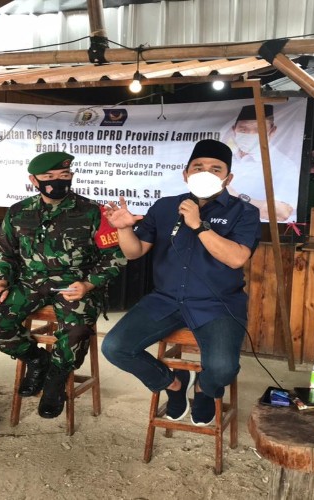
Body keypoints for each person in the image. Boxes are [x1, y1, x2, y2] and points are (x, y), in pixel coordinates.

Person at [101, 139, 260, 426]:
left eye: (215, 168)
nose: (205, 172)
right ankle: (174, 384)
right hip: (165, 300)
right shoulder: (165, 207)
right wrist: (124, 229)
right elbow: (135, 252)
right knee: (114, 347)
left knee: (223, 369)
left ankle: (203, 390)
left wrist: (198, 225)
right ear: (186, 174)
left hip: (218, 303)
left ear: (228, 178)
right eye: (198, 167)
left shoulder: (244, 212)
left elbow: (236, 258)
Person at [0, 152, 126, 419]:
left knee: (77, 329)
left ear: (71, 177)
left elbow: (116, 256)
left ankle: (57, 376)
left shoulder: (93, 211)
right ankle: (36, 359)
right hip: (29, 283)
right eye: (49, 177)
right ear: (34, 180)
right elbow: (5, 252)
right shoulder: (18, 212)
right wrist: (0, 282)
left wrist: (89, 285)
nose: (58, 181)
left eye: (64, 175)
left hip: (75, 284)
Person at [224, 104, 297, 221]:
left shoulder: (284, 165)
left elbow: (282, 213)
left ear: (272, 132)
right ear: (234, 130)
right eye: (243, 130)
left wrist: (237, 197)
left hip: (258, 228)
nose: (250, 135)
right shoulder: (224, 157)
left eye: (259, 130)